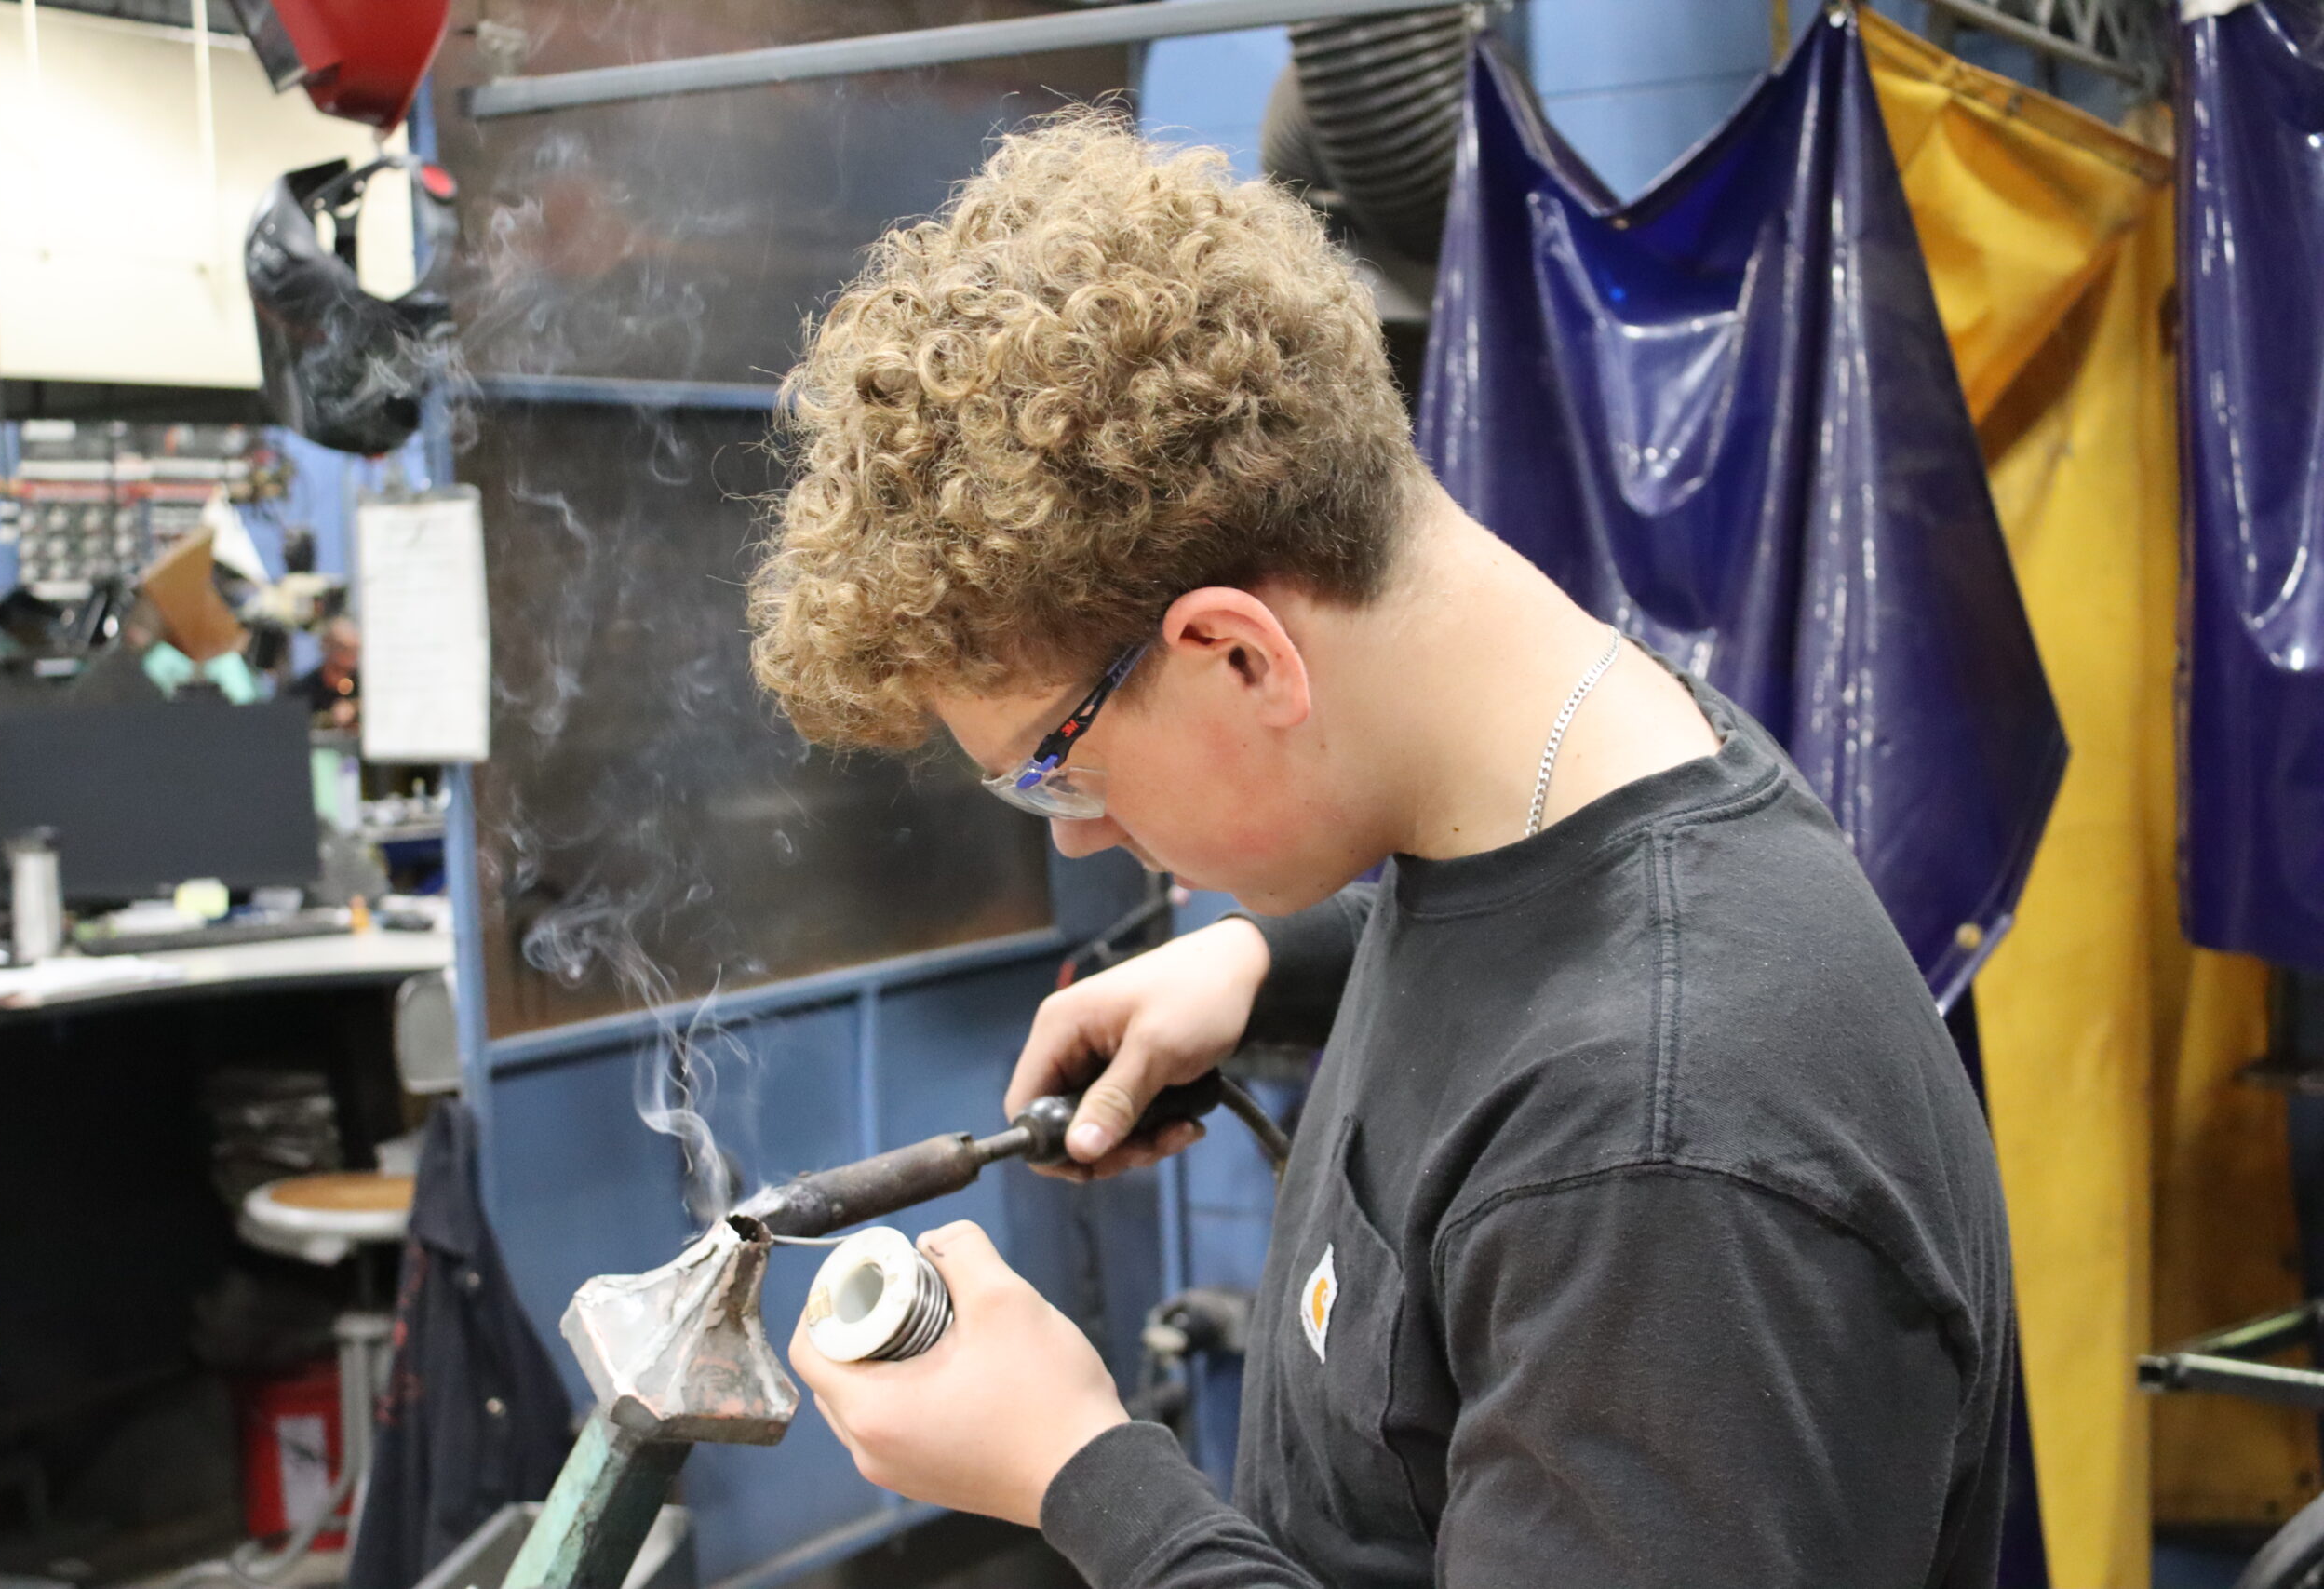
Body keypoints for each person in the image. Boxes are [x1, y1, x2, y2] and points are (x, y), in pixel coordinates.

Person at [747, 113, 2012, 1589]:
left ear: (1235, 656)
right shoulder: (1575, 760)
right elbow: (1540, 947)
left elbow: (1606, 1072)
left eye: (1055, 763)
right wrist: (1267, 965)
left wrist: (1079, 1468)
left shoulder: (1666, 1163)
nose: (1082, 828)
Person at [289, 613, 360, 727]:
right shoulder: (303, 691)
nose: (352, 656)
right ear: (326, 647)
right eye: (344, 648)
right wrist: (330, 718)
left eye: (355, 649)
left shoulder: (363, 685)